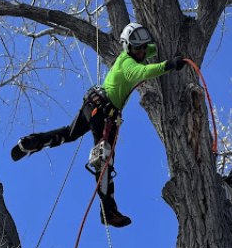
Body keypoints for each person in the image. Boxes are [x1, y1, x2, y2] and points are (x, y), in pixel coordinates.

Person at [11, 23, 186, 228]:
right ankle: (108, 212)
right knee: (104, 163)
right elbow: (145, 72)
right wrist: (169, 64)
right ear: (128, 47)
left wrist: (163, 49)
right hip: (104, 115)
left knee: (69, 133)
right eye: (137, 48)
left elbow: (151, 50)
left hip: (92, 105)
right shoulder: (129, 64)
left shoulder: (128, 55)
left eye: (143, 47)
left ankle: (31, 142)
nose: (141, 51)